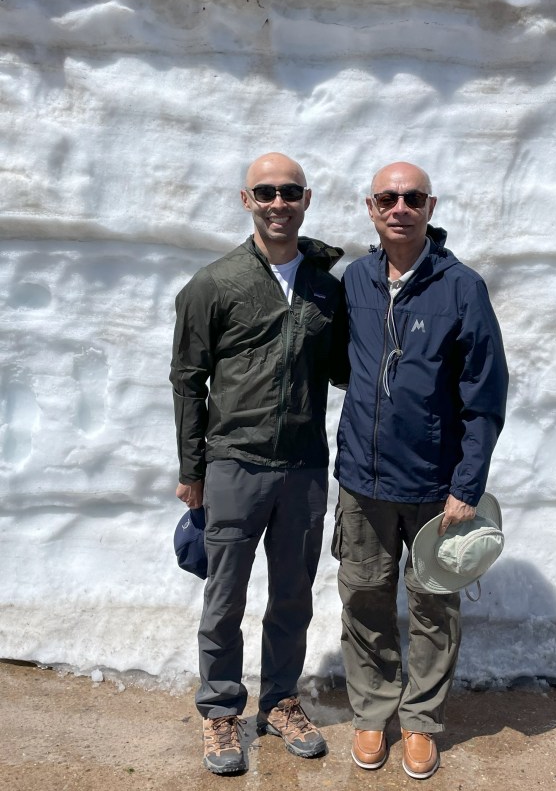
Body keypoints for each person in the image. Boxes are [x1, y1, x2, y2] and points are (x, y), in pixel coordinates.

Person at [170, 153, 345, 776]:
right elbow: (188, 380)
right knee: (224, 597)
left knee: (294, 594)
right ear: (247, 199)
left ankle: (280, 700)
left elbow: (348, 369)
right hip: (234, 465)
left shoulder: (329, 287)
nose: (279, 202)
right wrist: (192, 470)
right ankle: (221, 710)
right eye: (266, 191)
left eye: (290, 192)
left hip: (302, 466)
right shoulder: (214, 284)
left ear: (306, 199)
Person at [333, 161, 508, 780]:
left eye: (412, 198)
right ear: (371, 207)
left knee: (434, 607)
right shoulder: (354, 279)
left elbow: (485, 393)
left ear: (430, 207)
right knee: (364, 598)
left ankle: (421, 722)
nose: (399, 206)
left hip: (437, 486)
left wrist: (468, 482)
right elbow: (338, 363)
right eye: (388, 197)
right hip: (362, 480)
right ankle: (372, 709)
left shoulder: (462, 288)